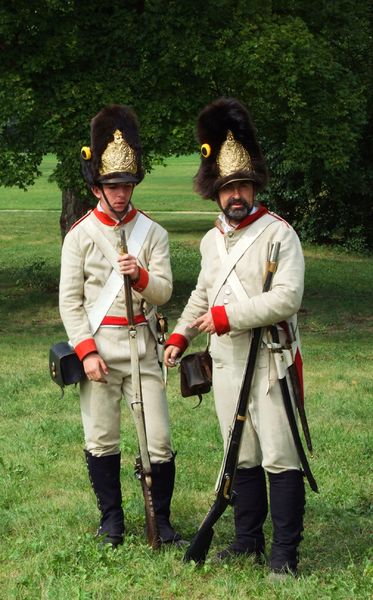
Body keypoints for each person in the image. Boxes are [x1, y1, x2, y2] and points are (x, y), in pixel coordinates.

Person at [164, 97, 307, 576]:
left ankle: (284, 554)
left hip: (269, 361)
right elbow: (202, 295)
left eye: (243, 185)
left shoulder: (279, 235)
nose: (236, 195)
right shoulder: (210, 241)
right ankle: (247, 540)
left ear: (255, 186)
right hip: (225, 363)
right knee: (240, 454)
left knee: (280, 456)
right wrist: (181, 336)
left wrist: (228, 317)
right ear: (215, 192)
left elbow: (285, 299)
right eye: (228, 188)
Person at [59, 104, 183, 548]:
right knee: (101, 437)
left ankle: (162, 520)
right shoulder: (80, 235)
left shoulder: (152, 233)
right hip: (101, 346)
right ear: (97, 185)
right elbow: (70, 302)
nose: (120, 193)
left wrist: (140, 277)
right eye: (112, 185)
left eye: (126, 184)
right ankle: (111, 519)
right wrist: (86, 351)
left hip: (144, 345)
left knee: (160, 440)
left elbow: (165, 291)